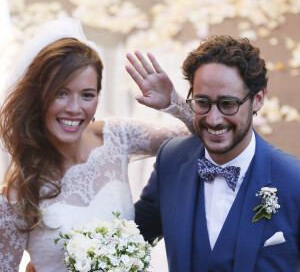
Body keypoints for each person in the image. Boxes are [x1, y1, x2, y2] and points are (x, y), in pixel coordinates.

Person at [0, 18, 193, 271]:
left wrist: (173, 103)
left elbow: (206, 137)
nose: (74, 108)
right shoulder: (18, 192)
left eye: (87, 95)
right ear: (38, 97)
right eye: (61, 92)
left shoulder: (118, 135)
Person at [135, 35, 300, 272]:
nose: (213, 119)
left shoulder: (295, 181)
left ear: (258, 99)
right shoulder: (171, 160)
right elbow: (132, 234)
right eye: (202, 102)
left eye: (228, 103)